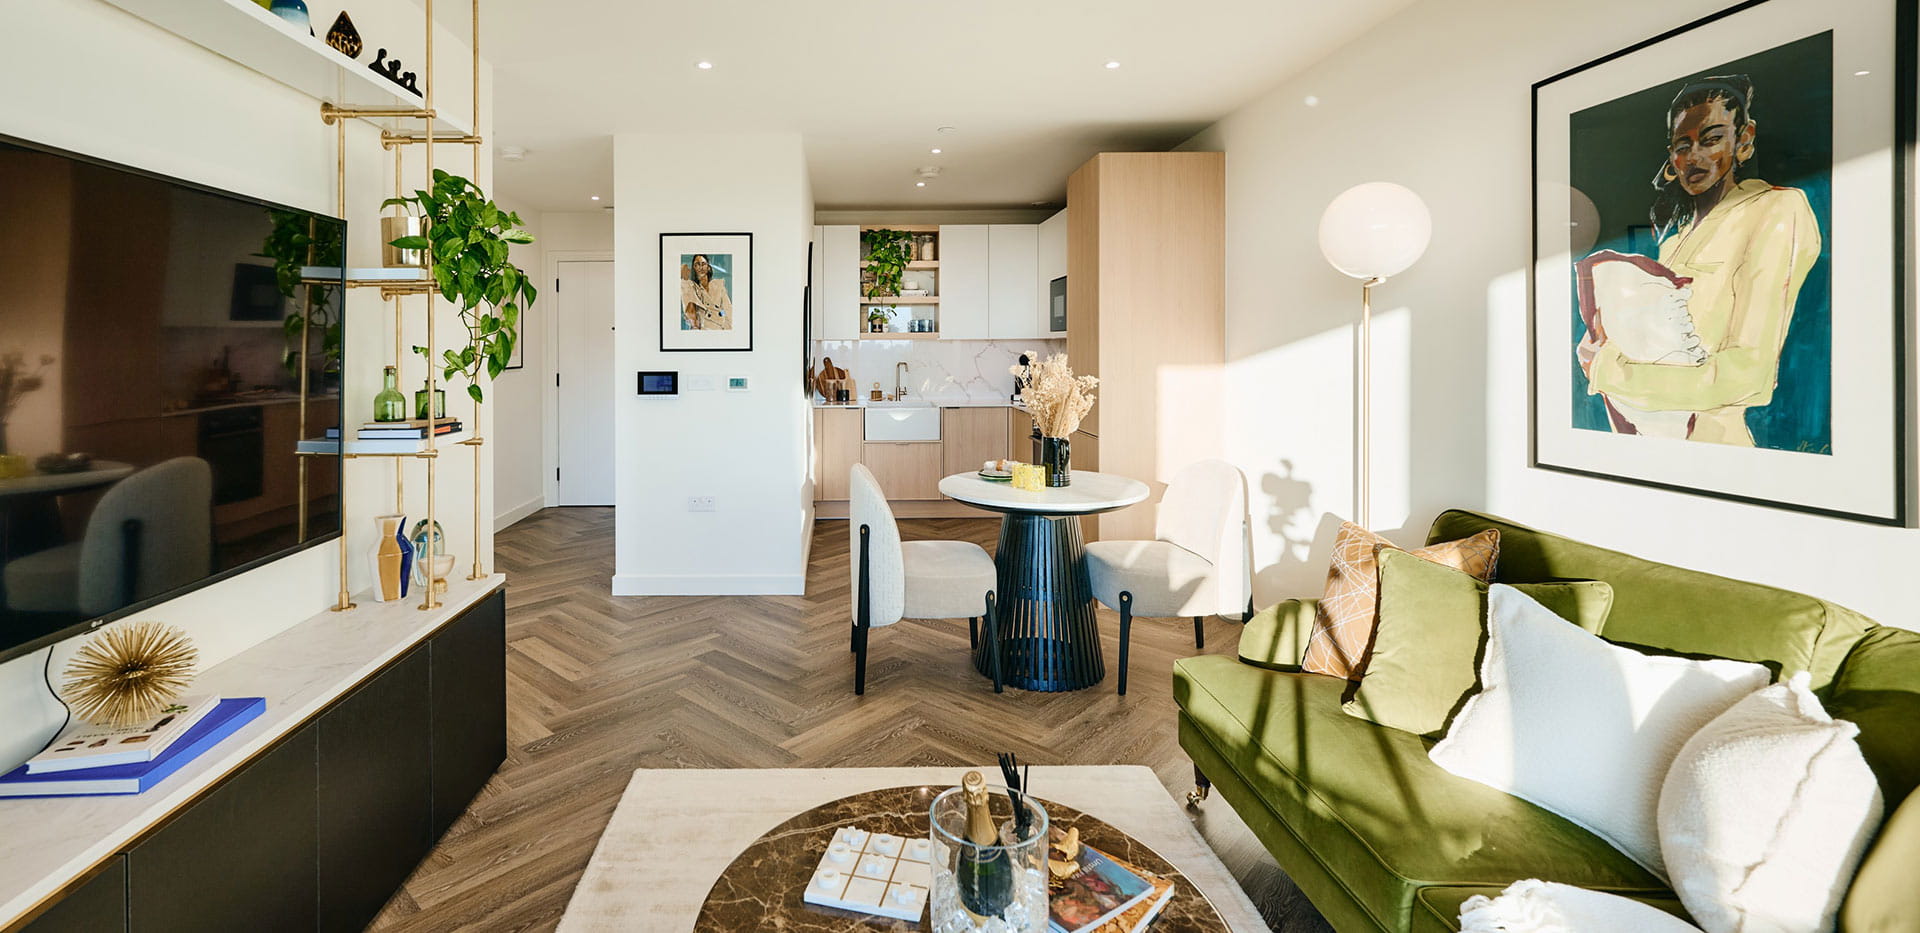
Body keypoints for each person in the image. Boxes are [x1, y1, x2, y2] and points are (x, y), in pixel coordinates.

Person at [1576, 74, 1821, 447]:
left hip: (1718, 453)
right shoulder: (1674, 242)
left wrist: (1607, 370)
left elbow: (1748, 376)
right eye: (1682, 145)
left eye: (1711, 139)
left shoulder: (1777, 210)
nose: (1694, 157)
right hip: (1648, 447)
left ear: (1744, 140)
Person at [680, 253, 732, 330]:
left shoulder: (718, 285)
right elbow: (690, 311)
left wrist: (722, 315)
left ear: (708, 267)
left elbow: (727, 309)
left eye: (703, 264)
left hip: (723, 327)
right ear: (694, 268)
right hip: (704, 328)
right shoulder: (692, 288)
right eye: (697, 264)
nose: (701, 267)